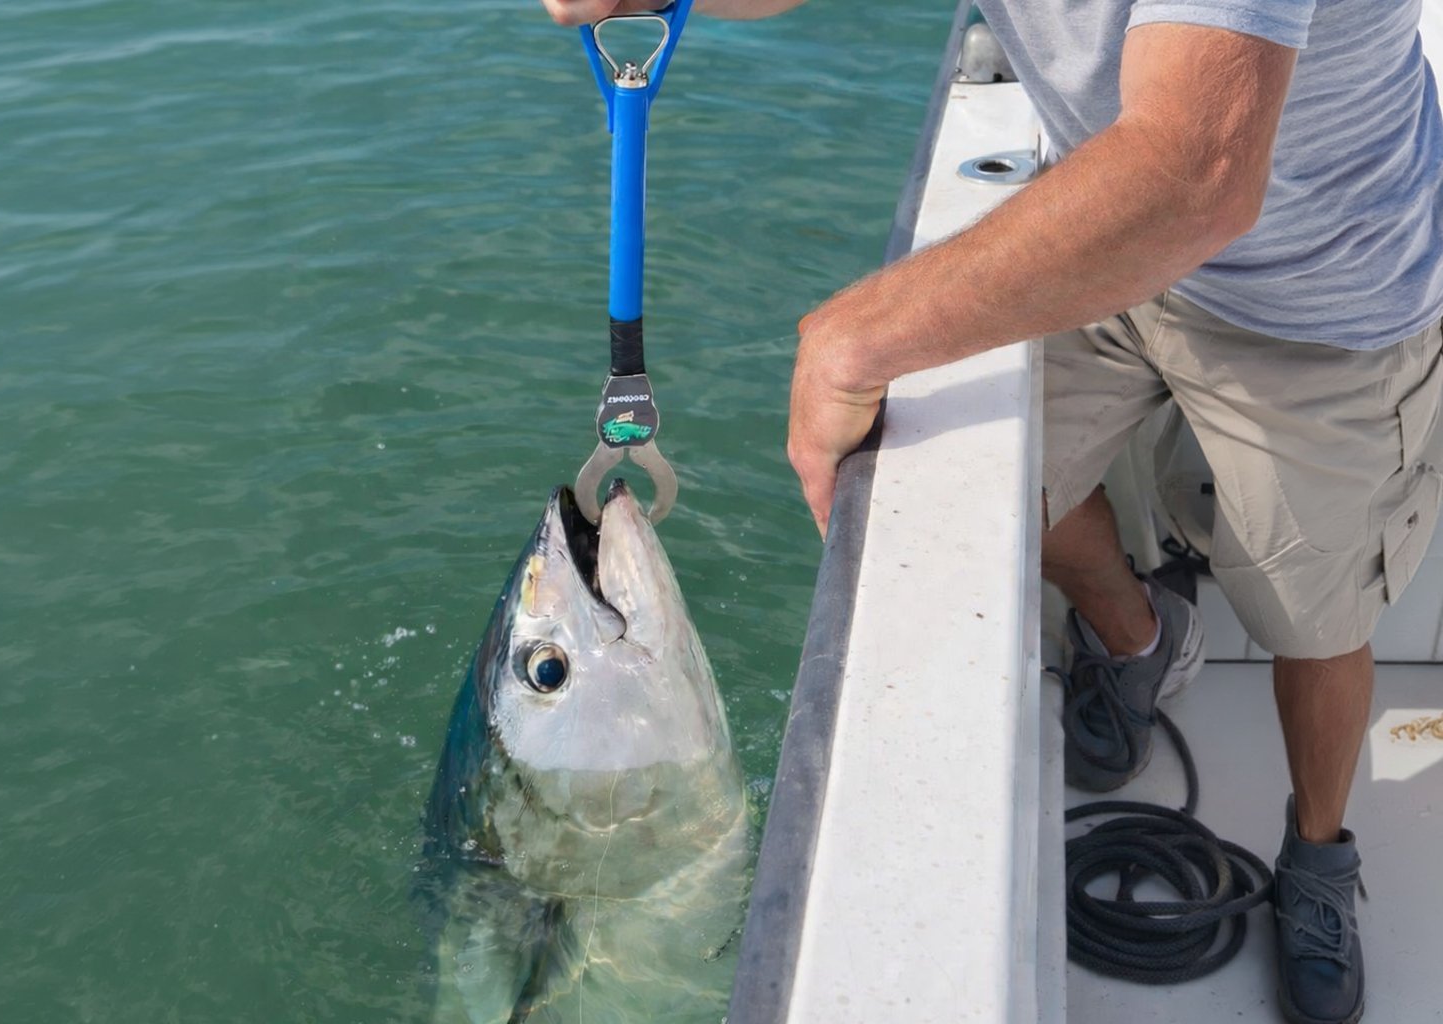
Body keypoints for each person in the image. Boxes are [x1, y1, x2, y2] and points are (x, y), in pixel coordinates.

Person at [542, 2, 1443, 1021]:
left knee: (1315, 619)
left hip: (1318, 293)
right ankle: (1138, 635)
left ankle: (1320, 853)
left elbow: (1200, 173)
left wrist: (852, 340)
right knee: (978, 504)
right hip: (1107, 234)